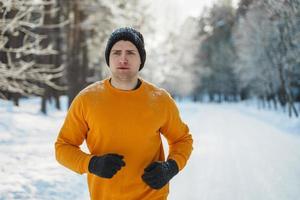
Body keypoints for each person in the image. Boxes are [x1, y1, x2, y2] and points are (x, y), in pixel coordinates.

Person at [55, 27, 193, 200]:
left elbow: (182, 139)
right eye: (116, 52)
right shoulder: (87, 99)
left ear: (140, 59)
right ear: (108, 59)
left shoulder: (160, 99)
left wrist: (171, 167)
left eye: (130, 52)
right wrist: (92, 164)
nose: (123, 59)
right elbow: (63, 147)